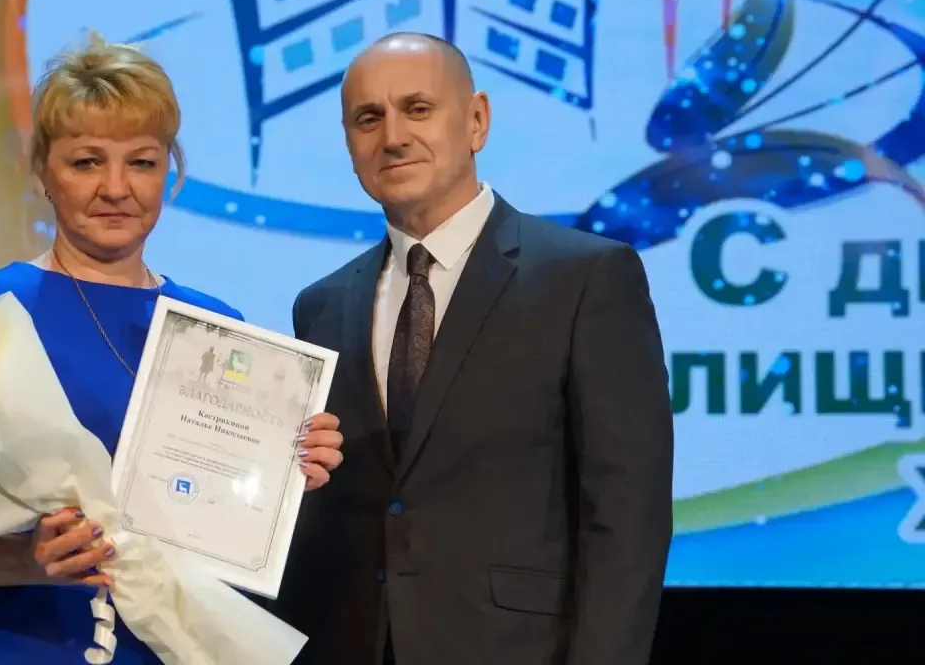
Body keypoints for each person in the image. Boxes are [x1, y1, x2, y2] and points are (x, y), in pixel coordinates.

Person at [0, 35, 345, 664]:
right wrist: (26, 561)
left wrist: (283, 479)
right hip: (9, 648)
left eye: (142, 162)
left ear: (169, 171)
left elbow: (224, 539)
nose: (116, 187)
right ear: (43, 172)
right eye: (86, 162)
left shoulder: (217, 328)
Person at [271, 33, 674, 664]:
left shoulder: (586, 278)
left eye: (418, 109)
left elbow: (628, 512)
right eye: (368, 119)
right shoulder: (321, 306)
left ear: (477, 121)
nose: (393, 137)